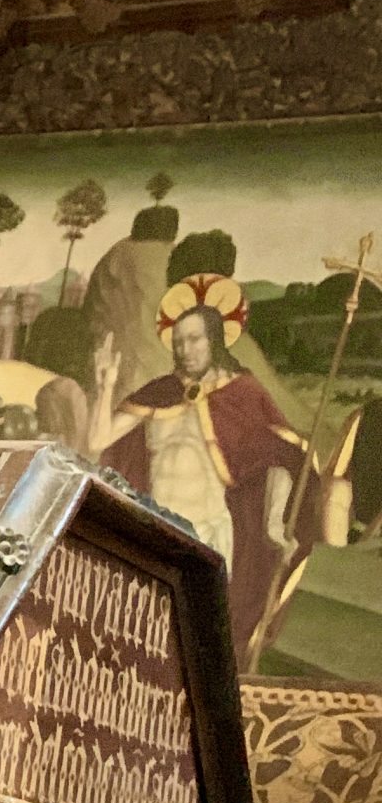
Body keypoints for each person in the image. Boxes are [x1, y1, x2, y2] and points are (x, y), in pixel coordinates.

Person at [94, 275, 319, 661]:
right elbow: (99, 440)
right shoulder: (159, 392)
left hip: (210, 530)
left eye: (194, 339)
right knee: (148, 636)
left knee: (199, 637)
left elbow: (281, 458)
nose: (185, 349)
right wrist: (105, 385)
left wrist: (276, 523)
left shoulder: (243, 394)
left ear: (215, 339)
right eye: (179, 342)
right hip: (159, 527)